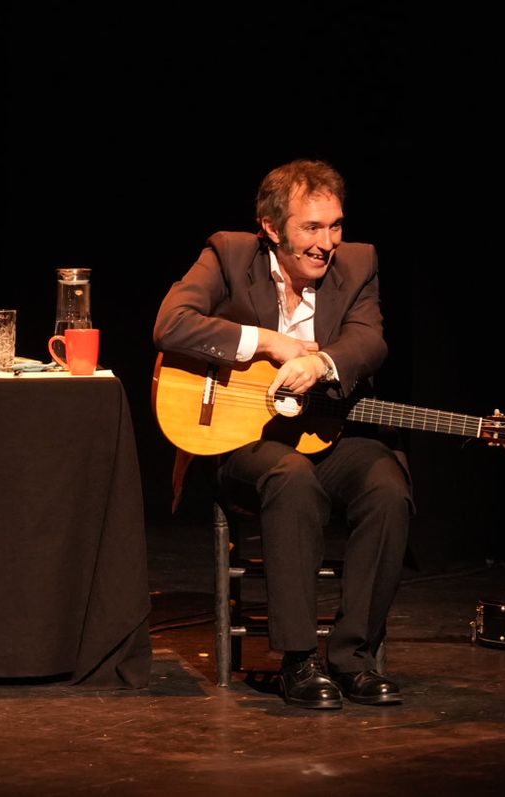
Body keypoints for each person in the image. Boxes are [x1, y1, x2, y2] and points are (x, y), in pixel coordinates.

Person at [153, 159, 411, 709]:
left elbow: (369, 343)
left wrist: (323, 364)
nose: (327, 243)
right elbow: (171, 323)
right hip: (241, 441)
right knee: (290, 478)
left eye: (335, 226)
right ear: (272, 228)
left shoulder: (359, 263)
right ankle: (298, 661)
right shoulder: (228, 253)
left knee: (388, 486)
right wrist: (268, 343)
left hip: (327, 434)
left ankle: (353, 659)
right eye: (311, 229)